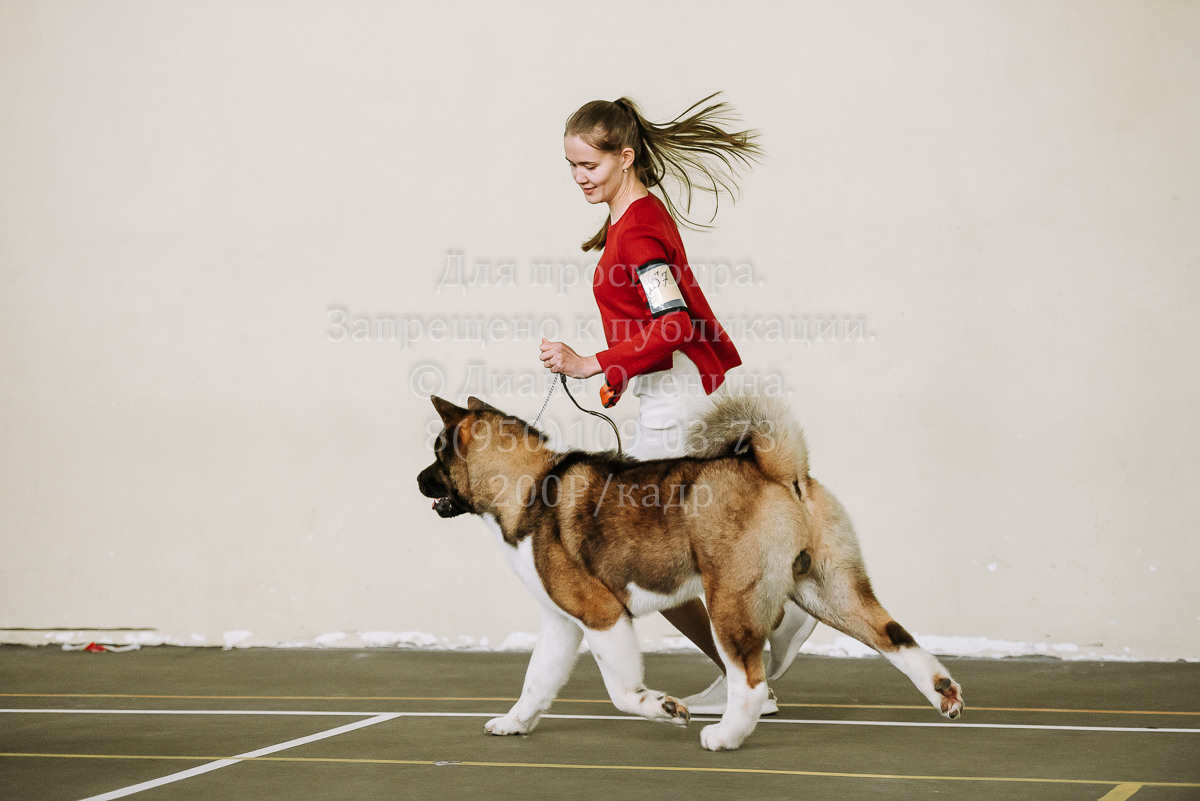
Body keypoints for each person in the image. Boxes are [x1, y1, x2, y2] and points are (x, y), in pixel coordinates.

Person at [538, 93, 816, 715]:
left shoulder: (635, 229)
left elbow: (672, 324)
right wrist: (618, 375)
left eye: (592, 166)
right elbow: (653, 330)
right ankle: (761, 645)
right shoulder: (635, 215)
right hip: (671, 391)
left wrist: (593, 363)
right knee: (672, 545)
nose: (581, 178)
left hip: (681, 403)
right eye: (572, 166)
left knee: (636, 547)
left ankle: (759, 653)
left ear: (626, 156)